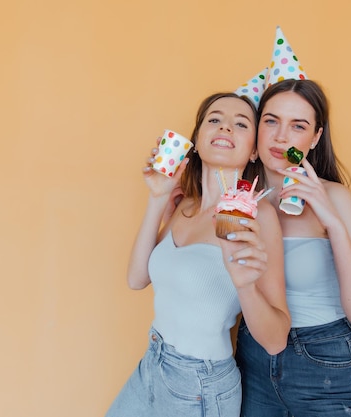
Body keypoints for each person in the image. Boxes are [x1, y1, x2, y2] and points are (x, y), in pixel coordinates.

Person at [106, 92, 291, 417]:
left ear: (252, 152)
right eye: (215, 119)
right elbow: (137, 279)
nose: (225, 128)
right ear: (197, 140)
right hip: (153, 363)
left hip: (200, 385)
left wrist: (245, 285)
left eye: (241, 124)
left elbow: (276, 340)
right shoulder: (185, 206)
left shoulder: (257, 215)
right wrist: (158, 198)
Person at [235, 79, 351, 417]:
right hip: (252, 356)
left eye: (298, 126)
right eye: (271, 121)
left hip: (323, 361)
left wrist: (331, 221)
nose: (281, 136)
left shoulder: (335, 199)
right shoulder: (234, 199)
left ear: (315, 137)